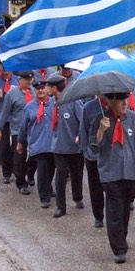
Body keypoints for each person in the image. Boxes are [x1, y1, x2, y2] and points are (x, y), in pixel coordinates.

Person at [89, 92, 135, 263]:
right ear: (111, 102)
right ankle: (118, 248)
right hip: (110, 173)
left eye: (126, 100)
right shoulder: (100, 119)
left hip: (130, 172)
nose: (125, 103)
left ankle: (122, 236)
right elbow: (93, 148)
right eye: (120, 101)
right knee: (114, 209)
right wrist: (101, 131)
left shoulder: (132, 118)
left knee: (125, 207)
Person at [46, 73, 85, 217]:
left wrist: (80, 136)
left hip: (74, 147)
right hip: (58, 146)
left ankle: (78, 197)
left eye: (48, 87)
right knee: (60, 177)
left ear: (54, 88)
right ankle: (61, 207)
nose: (46, 89)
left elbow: (83, 121)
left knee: (77, 174)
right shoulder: (51, 102)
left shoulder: (73, 101)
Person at [18, 78, 56, 208]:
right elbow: (23, 127)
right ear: (35, 90)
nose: (40, 91)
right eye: (38, 89)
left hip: (52, 144)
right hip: (37, 144)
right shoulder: (29, 107)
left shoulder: (53, 104)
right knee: (42, 169)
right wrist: (20, 142)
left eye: (43, 88)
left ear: (47, 89)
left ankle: (48, 188)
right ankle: (44, 197)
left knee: (51, 169)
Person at [0, 71, 35, 192]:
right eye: (25, 79)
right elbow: (5, 113)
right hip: (18, 129)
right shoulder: (12, 94)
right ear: (19, 79)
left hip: (33, 129)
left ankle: (30, 173)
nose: (28, 81)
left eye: (30, 79)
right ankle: (21, 183)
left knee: (36, 156)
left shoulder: (34, 92)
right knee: (19, 157)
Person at [80, 95, 109, 227]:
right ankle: (98, 215)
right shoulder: (89, 107)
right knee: (95, 187)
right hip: (93, 154)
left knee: (111, 187)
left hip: (110, 154)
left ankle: (112, 214)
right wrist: (85, 150)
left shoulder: (116, 105)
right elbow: (84, 129)